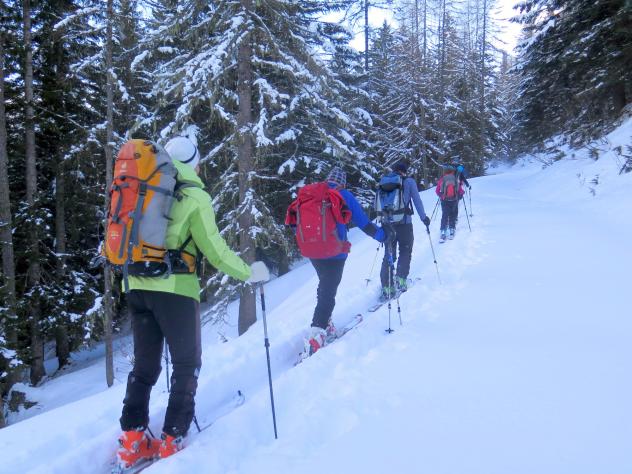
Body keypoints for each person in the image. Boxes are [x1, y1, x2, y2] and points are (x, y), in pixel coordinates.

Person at [116, 136, 266, 469]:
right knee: (186, 363)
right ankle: (173, 438)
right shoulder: (195, 196)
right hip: (175, 289)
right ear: (195, 163)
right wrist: (249, 273)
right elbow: (215, 251)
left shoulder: (141, 186)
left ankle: (131, 440)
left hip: (136, 284)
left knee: (145, 366)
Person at [295, 166, 387, 357]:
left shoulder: (312, 194)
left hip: (312, 251)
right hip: (335, 253)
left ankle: (325, 323)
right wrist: (382, 236)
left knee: (325, 284)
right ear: (342, 182)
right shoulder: (344, 195)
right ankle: (317, 333)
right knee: (329, 290)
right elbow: (363, 223)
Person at [378, 160, 430, 300]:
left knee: (388, 254)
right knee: (405, 251)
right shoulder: (409, 182)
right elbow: (417, 201)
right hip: (405, 223)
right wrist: (424, 218)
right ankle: (401, 280)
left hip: (388, 225)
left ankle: (387, 287)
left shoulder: (384, 182)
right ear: (405, 170)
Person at [436, 165, 464, 242]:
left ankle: (443, 231)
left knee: (444, 215)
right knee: (453, 215)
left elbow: (437, 191)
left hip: (444, 200)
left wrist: (441, 195)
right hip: (454, 200)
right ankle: (451, 229)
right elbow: (460, 190)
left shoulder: (442, 179)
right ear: (452, 171)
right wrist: (461, 193)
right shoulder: (455, 178)